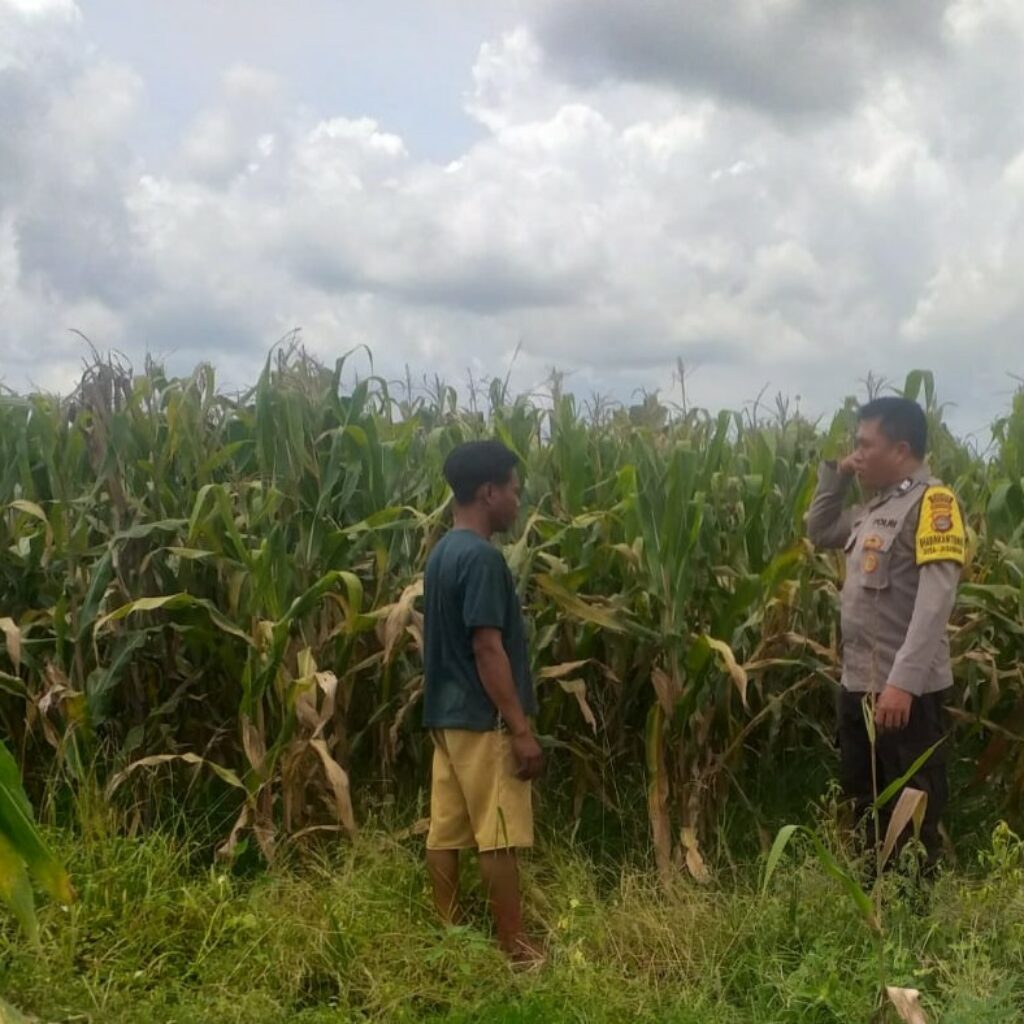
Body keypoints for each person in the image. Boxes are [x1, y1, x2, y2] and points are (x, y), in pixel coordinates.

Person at [806, 396, 965, 869]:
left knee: (912, 810)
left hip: (903, 696)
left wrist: (902, 683)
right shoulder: (873, 509)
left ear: (899, 449)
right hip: (859, 684)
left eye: (863, 444)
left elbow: (935, 603)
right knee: (864, 803)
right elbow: (817, 529)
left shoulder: (933, 504)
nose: (857, 453)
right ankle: (874, 906)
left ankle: (912, 919)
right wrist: (838, 471)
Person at [422, 439, 544, 963]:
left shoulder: (442, 553)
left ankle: (449, 938)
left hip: (446, 717)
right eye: (514, 491)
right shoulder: (483, 559)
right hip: (482, 719)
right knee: (498, 836)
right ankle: (516, 950)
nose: (518, 502)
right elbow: (487, 647)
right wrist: (519, 729)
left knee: (445, 831)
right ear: (488, 492)